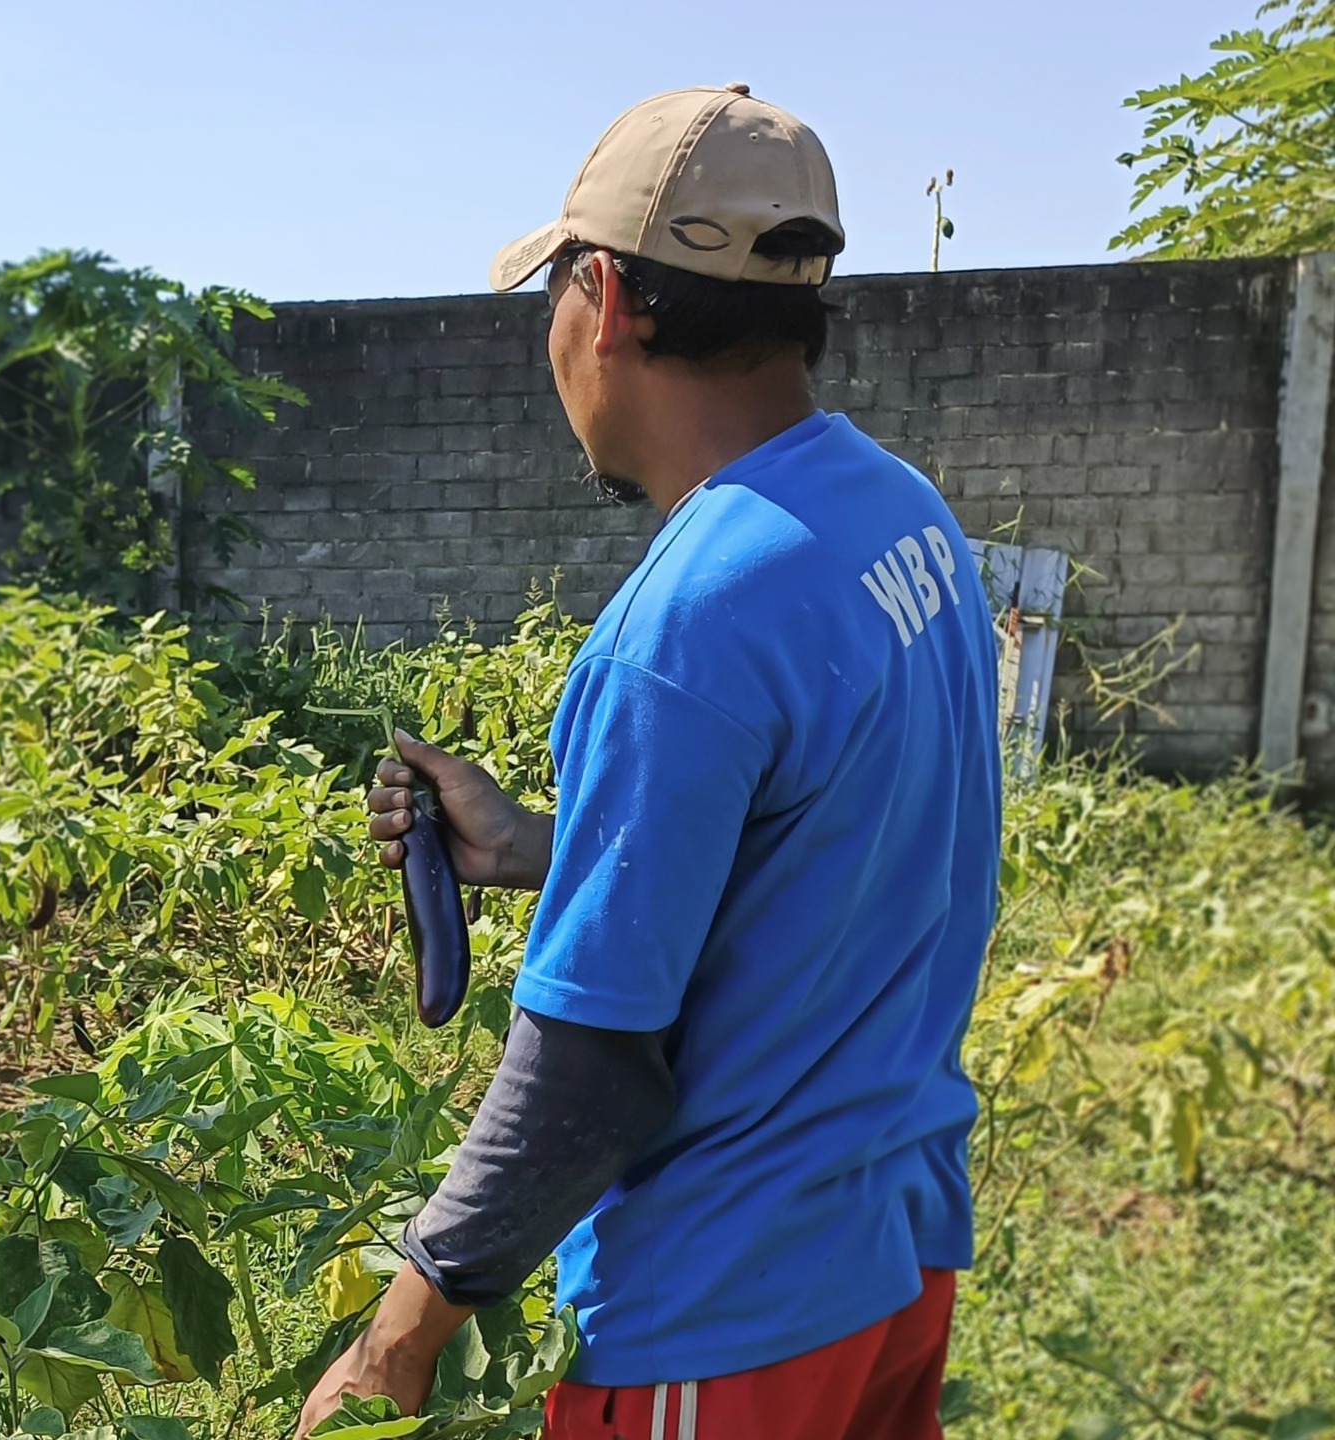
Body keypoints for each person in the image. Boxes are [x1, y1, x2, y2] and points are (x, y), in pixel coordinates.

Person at [296, 86, 1003, 1440]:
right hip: (896, 1255)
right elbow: (830, 858)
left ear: (604, 299)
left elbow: (593, 1070)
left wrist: (398, 1339)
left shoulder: (686, 625)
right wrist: (534, 849)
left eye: (552, 293)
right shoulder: (899, 520)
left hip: (728, 1311)